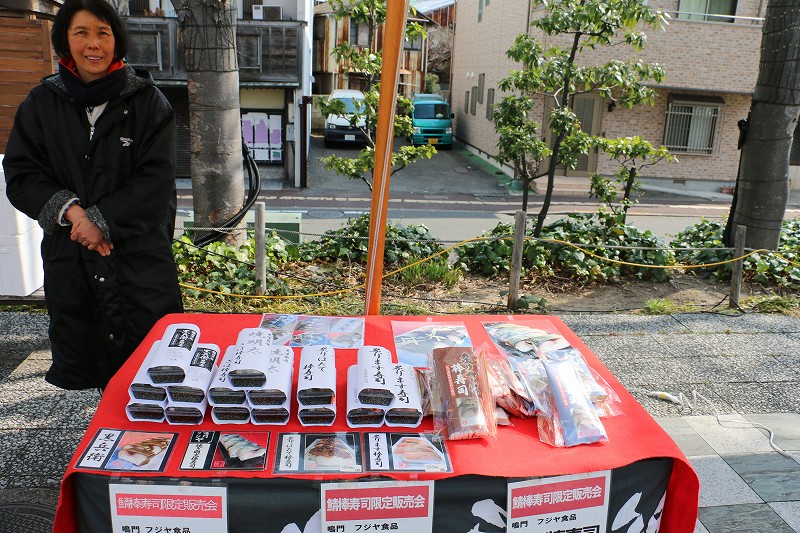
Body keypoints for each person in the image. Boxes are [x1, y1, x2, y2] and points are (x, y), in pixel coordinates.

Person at [2, 0, 183, 390]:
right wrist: (73, 214)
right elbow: (22, 174)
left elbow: (157, 180)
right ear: (65, 40)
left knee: (155, 371)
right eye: (81, 33)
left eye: (103, 32)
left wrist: (101, 221)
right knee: (97, 367)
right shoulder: (41, 104)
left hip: (138, 261)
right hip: (73, 259)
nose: (93, 44)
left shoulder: (148, 103)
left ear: (117, 40)